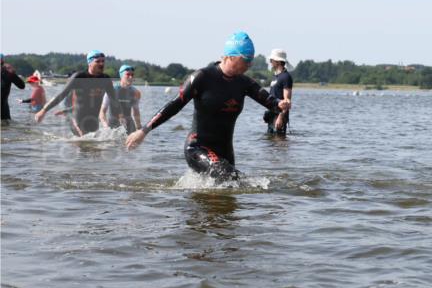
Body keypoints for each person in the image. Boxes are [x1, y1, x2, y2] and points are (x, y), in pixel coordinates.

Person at [125, 32, 291, 181]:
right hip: (197, 148)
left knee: (231, 189)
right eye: (246, 60)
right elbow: (174, 106)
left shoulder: (244, 83)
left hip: (225, 152)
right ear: (231, 56)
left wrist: (280, 104)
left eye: (251, 61)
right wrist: (144, 130)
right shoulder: (202, 77)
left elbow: (269, 102)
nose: (249, 65)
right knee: (230, 178)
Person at [35, 51, 126, 135]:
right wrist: (43, 110)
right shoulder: (79, 77)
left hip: (93, 120)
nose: (101, 64)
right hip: (76, 118)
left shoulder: (106, 79)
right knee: (83, 142)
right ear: (90, 63)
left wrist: (121, 115)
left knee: (95, 148)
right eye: (98, 61)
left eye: (103, 61)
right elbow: (61, 95)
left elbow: (114, 99)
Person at [99, 64, 142, 133]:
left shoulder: (136, 92)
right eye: (128, 74)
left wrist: (139, 127)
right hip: (112, 126)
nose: (131, 77)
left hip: (129, 126)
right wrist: (105, 126)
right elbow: (102, 112)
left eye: (132, 75)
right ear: (121, 76)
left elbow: (136, 112)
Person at [263, 49, 293, 135]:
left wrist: (280, 117)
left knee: (279, 144)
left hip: (279, 116)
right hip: (272, 114)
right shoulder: (276, 76)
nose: (270, 61)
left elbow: (287, 101)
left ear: (279, 62)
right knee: (271, 144)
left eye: (272, 60)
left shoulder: (286, 77)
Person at [1, 55, 25, 121]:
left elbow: (22, 86)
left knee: (5, 128)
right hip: (4, 112)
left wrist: (13, 73)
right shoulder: (9, 74)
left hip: (3, 112)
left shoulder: (9, 74)